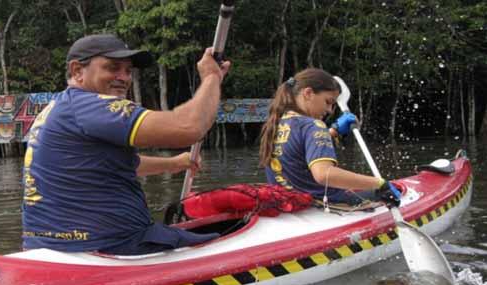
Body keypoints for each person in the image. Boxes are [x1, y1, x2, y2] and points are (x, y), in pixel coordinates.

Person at [22, 34, 230, 255]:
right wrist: (211, 78)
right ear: (77, 71)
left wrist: (174, 163)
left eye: (128, 71)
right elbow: (189, 127)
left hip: (48, 247)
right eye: (112, 68)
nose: (123, 77)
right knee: (226, 241)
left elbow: (109, 164)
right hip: (110, 246)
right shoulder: (91, 106)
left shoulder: (59, 107)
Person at [259, 68, 400, 208]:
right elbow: (324, 174)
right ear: (308, 93)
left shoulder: (275, 124)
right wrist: (380, 183)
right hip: (324, 204)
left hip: (289, 204)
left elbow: (298, 149)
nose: (329, 110)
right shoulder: (314, 125)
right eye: (328, 102)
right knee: (395, 191)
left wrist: (333, 131)